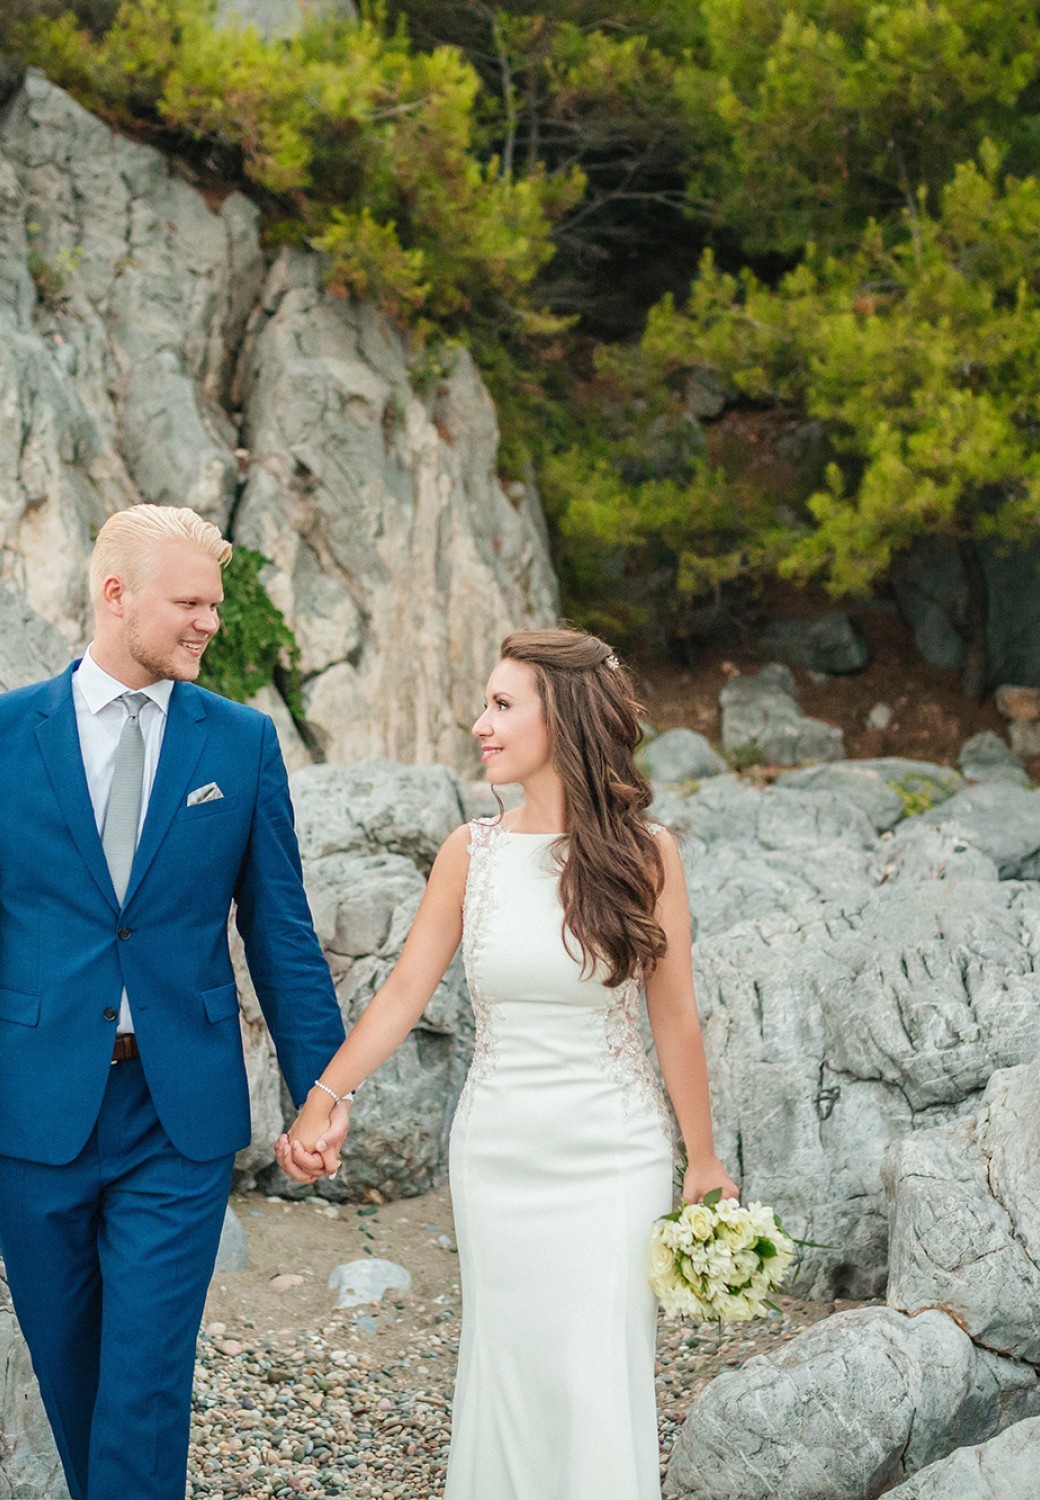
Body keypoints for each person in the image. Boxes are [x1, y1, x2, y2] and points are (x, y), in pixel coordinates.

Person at [280, 626, 737, 1499]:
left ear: (562, 717)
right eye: (484, 705)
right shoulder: (470, 852)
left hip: (614, 1155)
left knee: (595, 1374)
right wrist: (325, 1096)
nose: (479, 724)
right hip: (497, 1153)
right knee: (511, 1373)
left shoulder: (648, 855)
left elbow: (675, 1017)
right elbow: (403, 992)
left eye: (500, 705)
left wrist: (704, 1158)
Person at [0, 504, 346, 1500]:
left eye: (215, 604)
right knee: (74, 1380)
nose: (210, 623)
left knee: (145, 1386)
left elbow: (279, 930)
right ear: (116, 595)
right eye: (190, 603)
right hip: (32, 1108)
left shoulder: (240, 743)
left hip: (176, 1114)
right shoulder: (8, 734)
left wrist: (323, 1089)